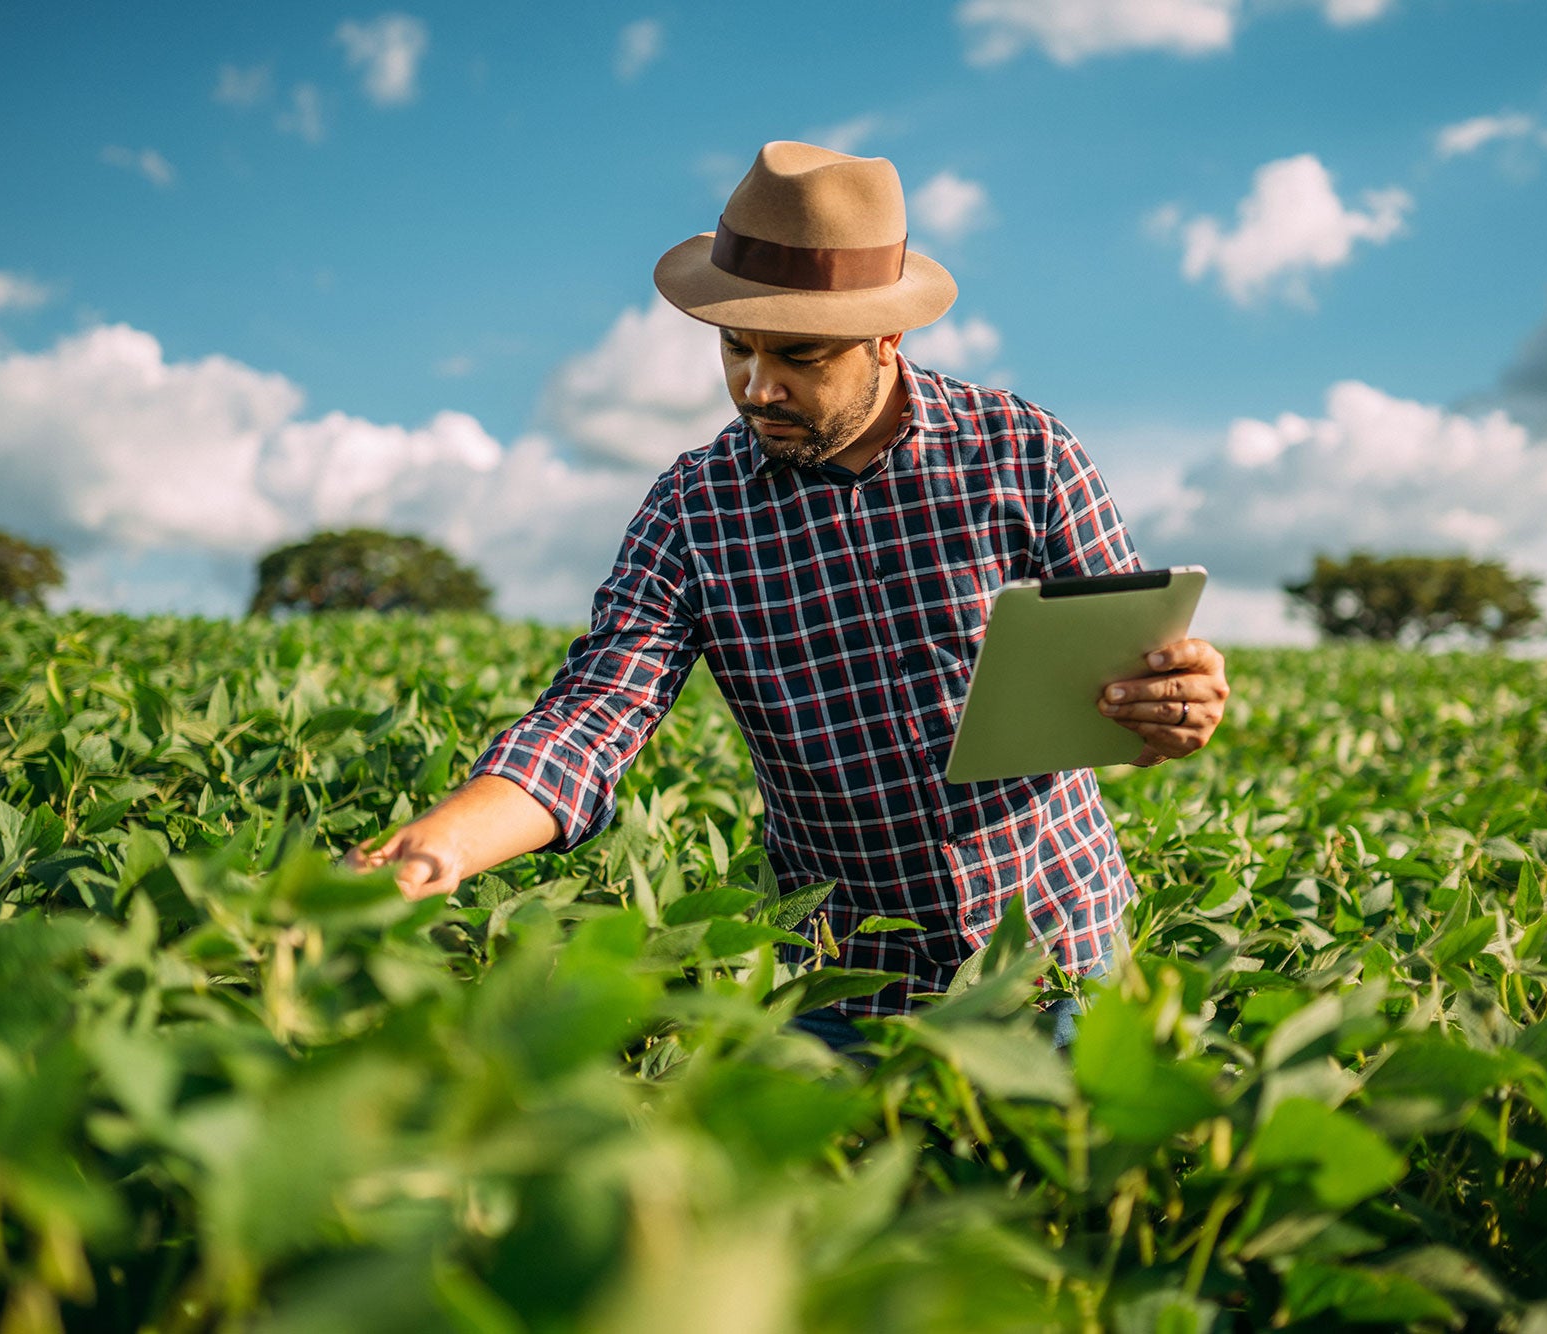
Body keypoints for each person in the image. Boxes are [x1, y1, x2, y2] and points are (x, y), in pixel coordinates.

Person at [349, 141, 1228, 1044]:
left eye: (800, 357)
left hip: (1052, 954)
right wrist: (442, 844)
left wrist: (1171, 711)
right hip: (842, 984)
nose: (757, 387)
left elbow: (1130, 688)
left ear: (888, 338)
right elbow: (592, 716)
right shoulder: (694, 510)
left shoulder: (1025, 452)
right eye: (736, 348)